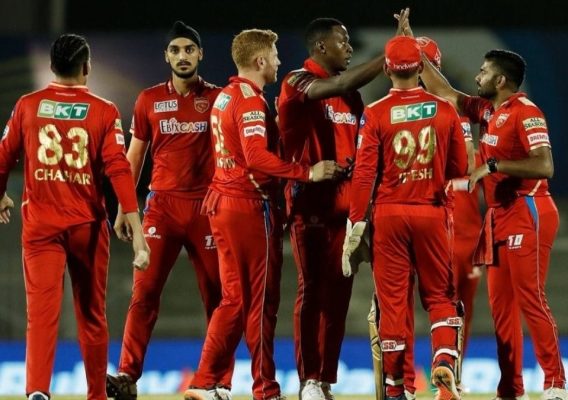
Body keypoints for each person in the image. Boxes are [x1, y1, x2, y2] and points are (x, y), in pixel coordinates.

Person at [402, 8, 568, 400]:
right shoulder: (488, 111)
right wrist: (412, 48)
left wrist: (493, 165)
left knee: (531, 299)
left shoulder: (526, 112)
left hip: (529, 208)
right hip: (498, 218)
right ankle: (511, 388)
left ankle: (555, 384)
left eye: (483, 72)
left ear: (500, 80)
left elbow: (545, 165)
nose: (476, 76)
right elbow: (446, 91)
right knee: (501, 309)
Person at [183, 29, 341, 400]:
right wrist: (307, 172)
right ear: (260, 61)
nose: (279, 62)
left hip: (223, 202)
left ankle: (204, 381)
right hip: (248, 206)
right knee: (261, 303)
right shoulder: (250, 101)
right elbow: (255, 157)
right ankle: (265, 388)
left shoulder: (225, 96)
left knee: (234, 300)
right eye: (274, 56)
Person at [0, 34, 149, 400]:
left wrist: (1, 193)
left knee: (41, 315)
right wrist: (137, 230)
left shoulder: (27, 105)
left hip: (41, 228)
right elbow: (118, 169)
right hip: (87, 227)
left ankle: (37, 391)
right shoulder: (103, 110)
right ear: (87, 67)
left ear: (52, 66)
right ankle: (96, 394)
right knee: (91, 315)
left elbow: (3, 156)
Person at [276, 15, 401, 400]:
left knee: (339, 297)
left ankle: (326, 379)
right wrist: (392, 55)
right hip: (311, 202)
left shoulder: (353, 98)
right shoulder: (297, 81)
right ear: (320, 47)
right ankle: (308, 380)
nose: (348, 48)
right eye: (342, 41)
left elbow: (363, 150)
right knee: (312, 289)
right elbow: (341, 82)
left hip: (349, 209)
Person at [104, 21, 231, 400]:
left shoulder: (219, 99)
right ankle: (127, 376)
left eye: (189, 49)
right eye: (175, 50)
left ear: (200, 54)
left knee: (219, 298)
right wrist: (125, 208)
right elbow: (134, 157)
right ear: (167, 56)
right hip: (162, 208)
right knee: (143, 294)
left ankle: (218, 383)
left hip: (208, 207)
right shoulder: (148, 100)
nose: (182, 56)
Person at [343, 36, 468, 400]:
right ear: (422, 69)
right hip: (432, 212)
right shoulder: (445, 110)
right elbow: (459, 168)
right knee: (441, 296)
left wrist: (355, 222)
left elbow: (364, 174)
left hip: (389, 216)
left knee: (393, 304)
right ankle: (444, 358)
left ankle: (397, 387)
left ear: (386, 69)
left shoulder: (376, 112)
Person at [398, 36, 481, 397]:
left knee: (400, 305)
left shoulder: (388, 111)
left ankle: (402, 382)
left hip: (410, 220)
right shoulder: (453, 112)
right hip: (448, 227)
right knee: (450, 307)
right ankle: (446, 381)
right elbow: (469, 164)